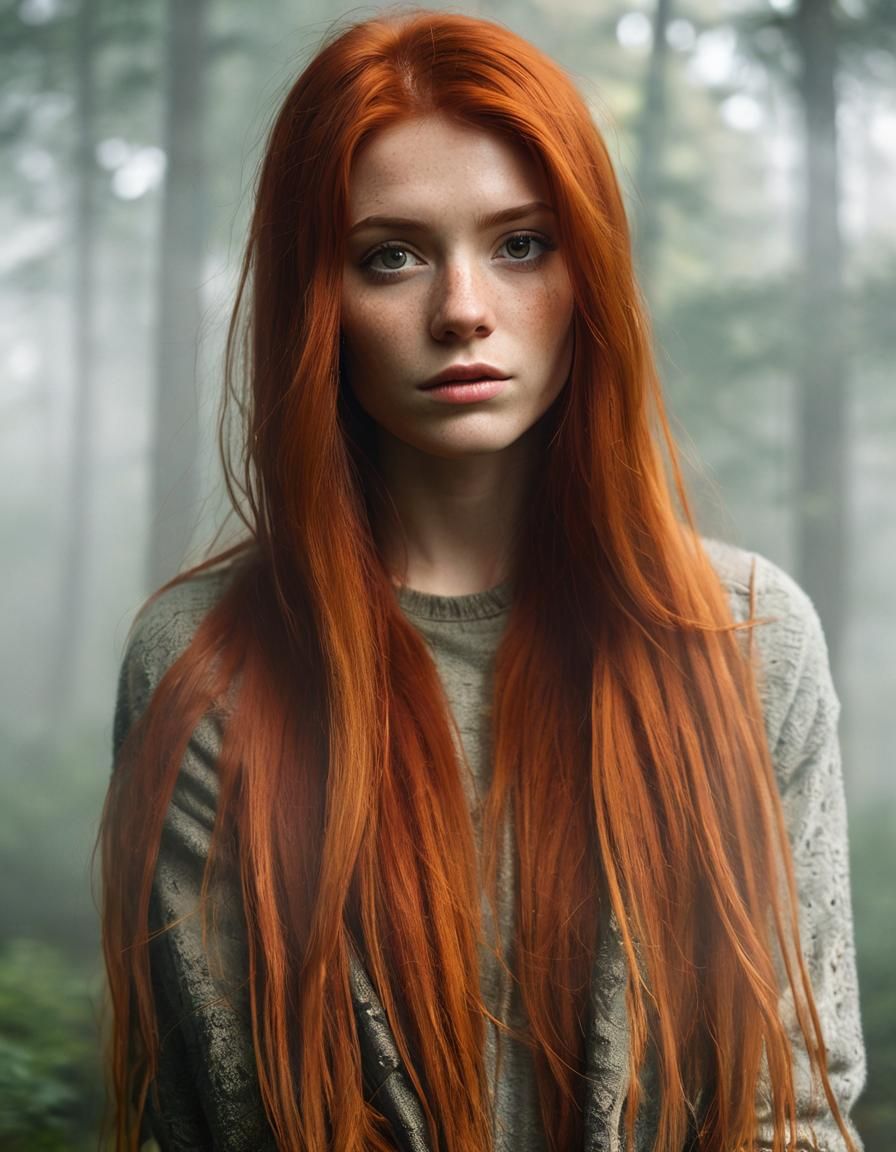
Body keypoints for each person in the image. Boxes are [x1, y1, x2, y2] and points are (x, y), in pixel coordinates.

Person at [99, 9, 866, 1152]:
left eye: (519, 245)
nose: (462, 309)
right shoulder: (206, 665)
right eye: (390, 255)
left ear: (587, 272)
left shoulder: (747, 640)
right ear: (320, 303)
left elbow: (794, 1111)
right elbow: (220, 1119)